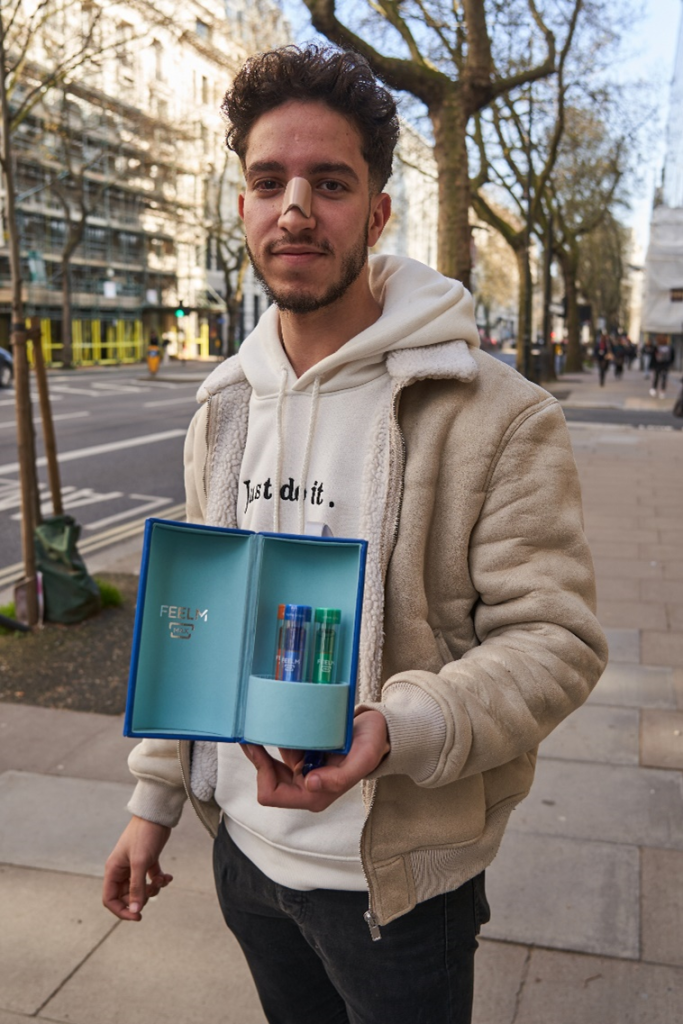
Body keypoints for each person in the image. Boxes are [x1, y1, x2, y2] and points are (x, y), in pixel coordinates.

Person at [103, 45, 607, 1024]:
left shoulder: (495, 414)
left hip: (397, 890)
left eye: (327, 183)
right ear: (241, 207)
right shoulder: (220, 410)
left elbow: (556, 640)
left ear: (376, 213)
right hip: (241, 862)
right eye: (266, 181)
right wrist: (151, 804)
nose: (294, 207)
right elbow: (197, 617)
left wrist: (398, 726)